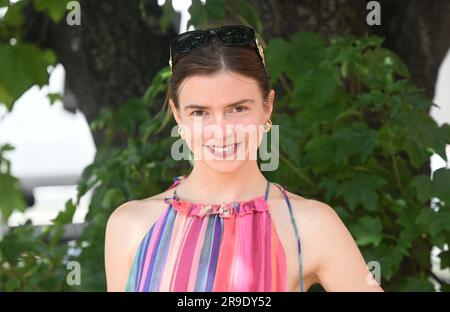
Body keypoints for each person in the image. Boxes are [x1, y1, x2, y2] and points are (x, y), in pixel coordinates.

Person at [104, 24, 384, 292]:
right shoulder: (131, 226)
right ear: (178, 115)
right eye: (200, 112)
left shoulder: (311, 226)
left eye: (237, 109)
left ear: (267, 106)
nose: (221, 131)